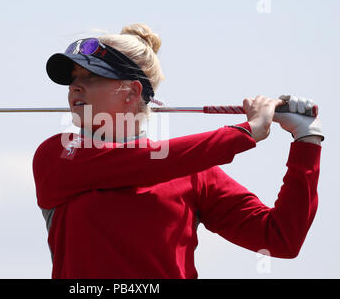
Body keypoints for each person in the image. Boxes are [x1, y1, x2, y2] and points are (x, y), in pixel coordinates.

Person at [33, 23, 324, 279]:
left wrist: (306, 139)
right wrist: (246, 132)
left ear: (132, 93)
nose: (75, 88)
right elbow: (148, 163)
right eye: (73, 78)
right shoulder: (58, 154)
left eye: (92, 77)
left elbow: (280, 238)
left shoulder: (194, 170)